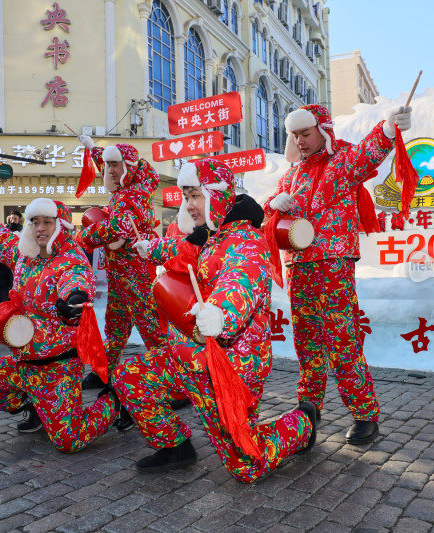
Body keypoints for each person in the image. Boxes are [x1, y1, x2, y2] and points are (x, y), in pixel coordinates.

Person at [114, 159, 315, 481]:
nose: (190, 205)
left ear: (217, 195)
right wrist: (147, 248)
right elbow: (177, 249)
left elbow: (241, 282)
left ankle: (301, 423)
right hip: (187, 356)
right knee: (129, 375)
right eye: (186, 197)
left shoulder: (246, 241)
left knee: (245, 466)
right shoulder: (208, 235)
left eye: (196, 196)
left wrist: (220, 313)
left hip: (227, 365)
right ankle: (175, 446)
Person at [263, 103, 412, 444]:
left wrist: (388, 129)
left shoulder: (342, 162)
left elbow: (369, 154)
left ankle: (365, 415)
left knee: (342, 340)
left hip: (333, 265)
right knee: (306, 342)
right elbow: (268, 213)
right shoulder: (291, 175)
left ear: (323, 131)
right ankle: (308, 409)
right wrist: (274, 204)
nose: (300, 141)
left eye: (306, 133)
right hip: (298, 267)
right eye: (295, 135)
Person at [0, 198, 122, 451]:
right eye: (35, 222)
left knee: (69, 441)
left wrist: (74, 299)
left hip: (57, 367)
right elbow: (5, 242)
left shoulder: (71, 259)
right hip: (23, 363)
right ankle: (33, 403)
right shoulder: (26, 253)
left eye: (47, 222)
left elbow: (76, 281)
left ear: (61, 225)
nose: (40, 228)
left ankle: (118, 401)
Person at [76, 140, 169, 392]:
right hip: (119, 272)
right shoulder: (127, 184)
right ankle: (103, 371)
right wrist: (93, 148)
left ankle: (173, 380)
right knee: (115, 323)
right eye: (107, 165)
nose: (109, 169)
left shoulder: (132, 195)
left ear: (128, 165)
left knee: (151, 327)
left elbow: (119, 228)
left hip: (136, 272)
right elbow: (110, 164)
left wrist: (82, 237)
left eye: (115, 164)